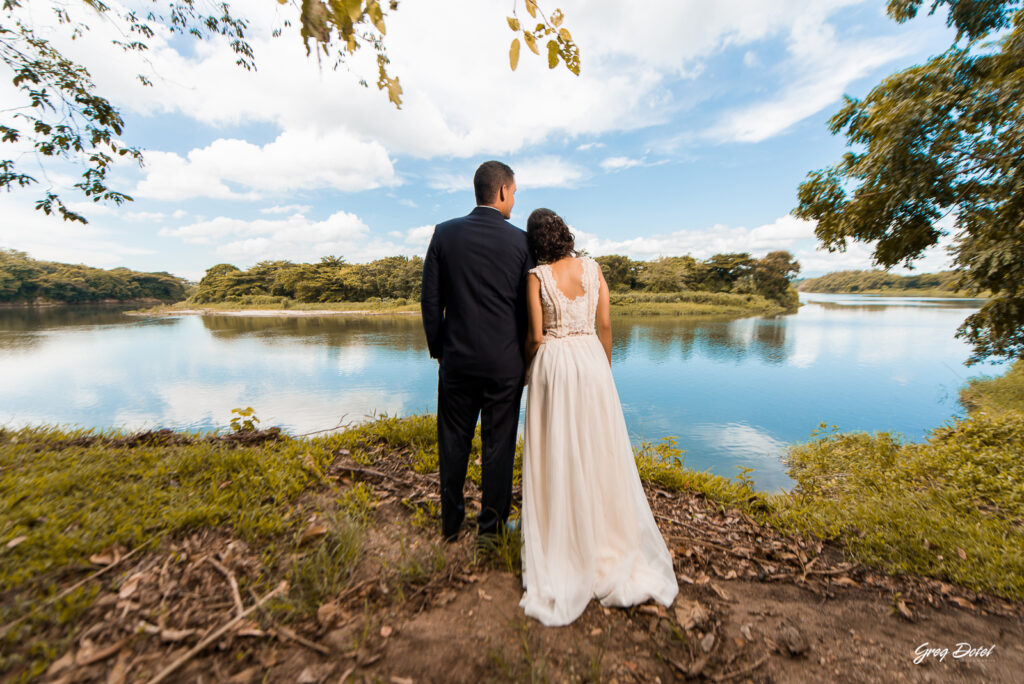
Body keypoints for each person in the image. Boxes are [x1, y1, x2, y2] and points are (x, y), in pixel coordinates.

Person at [519, 208, 679, 626]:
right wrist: (603, 368)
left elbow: (535, 336)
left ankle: (566, 534)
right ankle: (607, 535)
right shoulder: (593, 268)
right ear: (566, 234)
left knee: (558, 447)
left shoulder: (535, 278)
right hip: (592, 360)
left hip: (555, 362)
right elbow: (605, 323)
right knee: (596, 447)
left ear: (535, 241)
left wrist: (526, 370)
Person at [420, 161, 536, 542]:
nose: (514, 200)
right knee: (498, 447)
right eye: (514, 192)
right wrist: (522, 358)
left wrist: (440, 349)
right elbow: (526, 309)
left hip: (457, 359)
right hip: (505, 365)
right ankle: (491, 531)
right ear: (502, 191)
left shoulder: (444, 234)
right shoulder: (522, 243)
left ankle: (451, 527)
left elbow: (430, 300)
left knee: (453, 444)